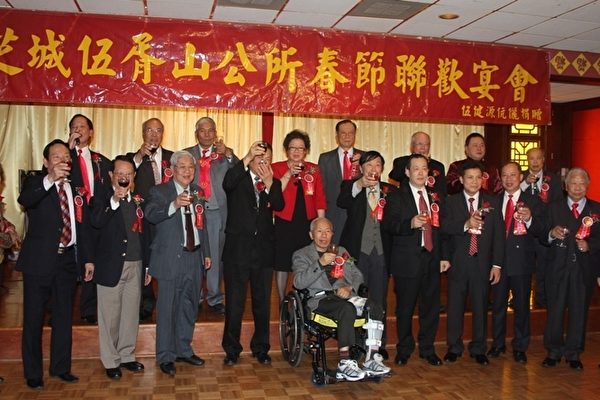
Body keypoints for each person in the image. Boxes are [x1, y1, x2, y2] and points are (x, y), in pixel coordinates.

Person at [17, 139, 94, 390]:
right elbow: (25, 200)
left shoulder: (76, 189)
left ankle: (61, 367)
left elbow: (82, 226)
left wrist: (87, 259)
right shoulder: (35, 183)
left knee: (63, 317)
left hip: (67, 261)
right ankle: (33, 373)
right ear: (46, 162)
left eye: (66, 157)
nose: (63, 161)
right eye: (57, 157)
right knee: (33, 319)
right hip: (38, 262)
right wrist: (50, 179)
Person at [292, 217, 391, 381]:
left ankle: (372, 358)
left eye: (328, 231)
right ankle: (345, 362)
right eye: (319, 231)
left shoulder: (341, 251)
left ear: (332, 234)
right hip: (320, 300)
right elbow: (298, 282)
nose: (324, 235)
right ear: (311, 234)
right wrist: (320, 263)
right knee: (347, 309)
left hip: (346, 296)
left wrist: (350, 287)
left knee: (375, 306)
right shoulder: (301, 254)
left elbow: (357, 274)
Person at [145, 150, 211, 376]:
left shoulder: (198, 191)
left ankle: (183, 349)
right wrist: (173, 204)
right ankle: (165, 355)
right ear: (172, 170)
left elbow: (202, 224)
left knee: (189, 306)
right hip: (170, 258)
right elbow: (150, 214)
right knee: (167, 308)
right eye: (182, 167)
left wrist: (207, 252)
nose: (187, 171)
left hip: (194, 256)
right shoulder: (160, 191)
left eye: (190, 167)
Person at [383, 154, 450, 367]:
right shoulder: (396, 196)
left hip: (432, 258)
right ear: (407, 172)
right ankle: (404, 348)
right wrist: (410, 223)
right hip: (407, 261)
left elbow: (442, 230)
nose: (421, 173)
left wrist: (444, 256)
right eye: (416, 169)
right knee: (405, 308)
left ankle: (427, 348)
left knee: (430, 307)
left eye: (424, 169)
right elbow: (389, 225)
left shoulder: (435, 196)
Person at [221, 141, 284, 366]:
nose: (263, 163)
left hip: (263, 252)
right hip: (237, 251)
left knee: (262, 303)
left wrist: (269, 183)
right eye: (259, 158)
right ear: (251, 159)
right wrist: (246, 157)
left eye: (267, 160)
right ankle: (231, 349)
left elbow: (279, 205)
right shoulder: (238, 177)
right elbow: (227, 183)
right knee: (235, 303)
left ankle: (261, 347)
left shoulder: (273, 181)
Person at [441, 160, 504, 366]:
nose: (474, 181)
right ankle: (454, 347)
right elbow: (444, 229)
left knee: (480, 307)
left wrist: (497, 265)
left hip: (483, 264)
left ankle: (478, 348)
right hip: (458, 263)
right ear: (461, 179)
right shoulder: (450, 202)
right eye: (470, 177)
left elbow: (498, 236)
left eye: (478, 177)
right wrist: (465, 224)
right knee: (455, 307)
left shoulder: (492, 202)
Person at [89, 156, 146, 379]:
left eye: (128, 174)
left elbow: (145, 234)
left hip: (136, 263)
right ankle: (111, 360)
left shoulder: (138, 200)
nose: (124, 178)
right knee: (110, 316)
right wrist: (114, 200)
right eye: (120, 174)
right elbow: (96, 222)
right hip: (111, 265)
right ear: (111, 175)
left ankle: (127, 356)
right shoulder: (101, 198)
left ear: (134, 176)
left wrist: (147, 266)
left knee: (130, 315)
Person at [337, 150, 396, 358]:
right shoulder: (350, 186)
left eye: (377, 165)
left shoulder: (390, 191)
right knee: (355, 299)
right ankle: (355, 344)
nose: (373, 169)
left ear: (382, 169)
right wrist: (360, 184)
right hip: (357, 252)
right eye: (369, 165)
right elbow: (342, 201)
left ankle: (377, 345)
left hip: (381, 253)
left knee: (379, 300)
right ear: (361, 168)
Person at [542, 167, 600, 370]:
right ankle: (553, 351)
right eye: (573, 183)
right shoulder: (553, 207)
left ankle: (574, 353)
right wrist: (551, 233)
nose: (577, 187)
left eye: (582, 183)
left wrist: (590, 245)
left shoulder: (596, 209)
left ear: (588, 185)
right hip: (556, 268)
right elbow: (541, 234)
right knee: (555, 311)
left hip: (583, 270)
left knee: (579, 311)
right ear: (566, 186)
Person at [488, 162, 543, 364]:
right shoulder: (493, 201)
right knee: (498, 306)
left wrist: (529, 220)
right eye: (505, 175)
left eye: (513, 175)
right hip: (498, 264)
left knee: (521, 307)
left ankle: (520, 347)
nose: (509, 179)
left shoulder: (533, 200)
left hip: (521, 262)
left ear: (521, 177)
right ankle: (498, 344)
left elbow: (542, 230)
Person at [184, 117, 237, 315]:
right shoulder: (187, 154)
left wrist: (229, 154)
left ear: (215, 133)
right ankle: (195, 296)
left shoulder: (224, 154)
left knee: (215, 255)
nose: (206, 134)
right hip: (191, 212)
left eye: (210, 130)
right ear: (196, 133)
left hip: (216, 212)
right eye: (202, 130)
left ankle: (214, 297)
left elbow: (239, 172)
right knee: (194, 253)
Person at [125, 117, 174, 321]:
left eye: (158, 130)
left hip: (168, 218)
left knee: (168, 260)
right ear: (143, 133)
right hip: (143, 218)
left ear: (163, 134)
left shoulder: (173, 157)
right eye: (150, 130)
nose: (154, 135)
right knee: (144, 258)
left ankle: (168, 301)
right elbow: (125, 176)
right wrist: (138, 157)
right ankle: (146, 301)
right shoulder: (132, 159)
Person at [272, 129, 326, 302]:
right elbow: (274, 193)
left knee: (306, 261)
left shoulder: (313, 169)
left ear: (306, 151)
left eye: (300, 148)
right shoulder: (277, 167)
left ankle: (305, 300)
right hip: (284, 221)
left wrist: (321, 222)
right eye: (292, 148)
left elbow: (319, 197)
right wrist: (289, 173)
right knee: (282, 262)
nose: (296, 151)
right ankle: (282, 301)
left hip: (307, 222)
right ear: (286, 150)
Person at [67, 114, 111, 324]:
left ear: (91, 132)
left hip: (94, 217)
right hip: (70, 217)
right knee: (69, 264)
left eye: (82, 126)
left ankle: (89, 308)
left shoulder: (101, 161)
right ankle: (59, 309)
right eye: (74, 127)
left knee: (92, 262)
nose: (78, 130)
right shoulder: (64, 156)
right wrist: (68, 150)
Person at [519, 147, 563, 308]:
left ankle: (542, 298)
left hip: (545, 228)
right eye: (531, 158)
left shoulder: (553, 179)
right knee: (523, 265)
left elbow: (559, 203)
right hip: (523, 229)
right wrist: (525, 183)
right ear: (527, 160)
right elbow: (512, 195)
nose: (535, 162)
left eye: (538, 158)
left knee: (544, 265)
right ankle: (519, 298)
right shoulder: (520, 177)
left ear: (543, 160)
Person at [318, 119, 363, 243]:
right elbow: (321, 189)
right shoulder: (325, 158)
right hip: (333, 213)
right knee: (333, 249)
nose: (347, 136)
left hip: (358, 213)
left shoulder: (364, 157)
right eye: (343, 133)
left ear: (355, 135)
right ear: (337, 136)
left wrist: (361, 167)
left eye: (350, 133)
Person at [388, 131, 446, 199]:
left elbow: (443, 192)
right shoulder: (401, 162)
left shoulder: (438, 166)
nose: (423, 147)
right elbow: (394, 177)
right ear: (412, 146)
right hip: (407, 201)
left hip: (431, 202)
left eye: (426, 144)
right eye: (420, 144)